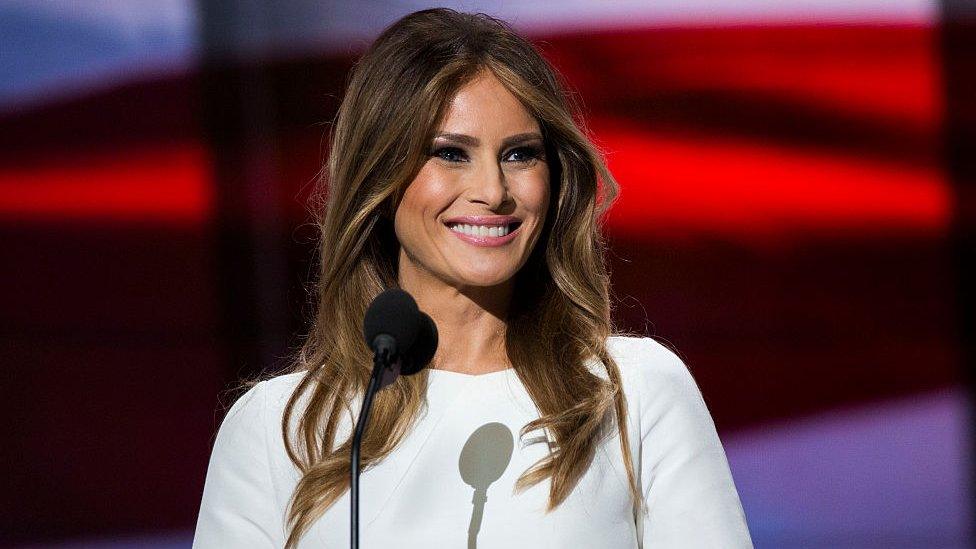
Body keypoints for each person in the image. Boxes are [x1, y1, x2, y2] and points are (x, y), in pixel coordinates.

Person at [193, 8, 752, 549]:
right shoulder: (278, 428)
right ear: (380, 177)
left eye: (520, 154)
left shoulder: (633, 392)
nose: (493, 190)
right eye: (451, 153)